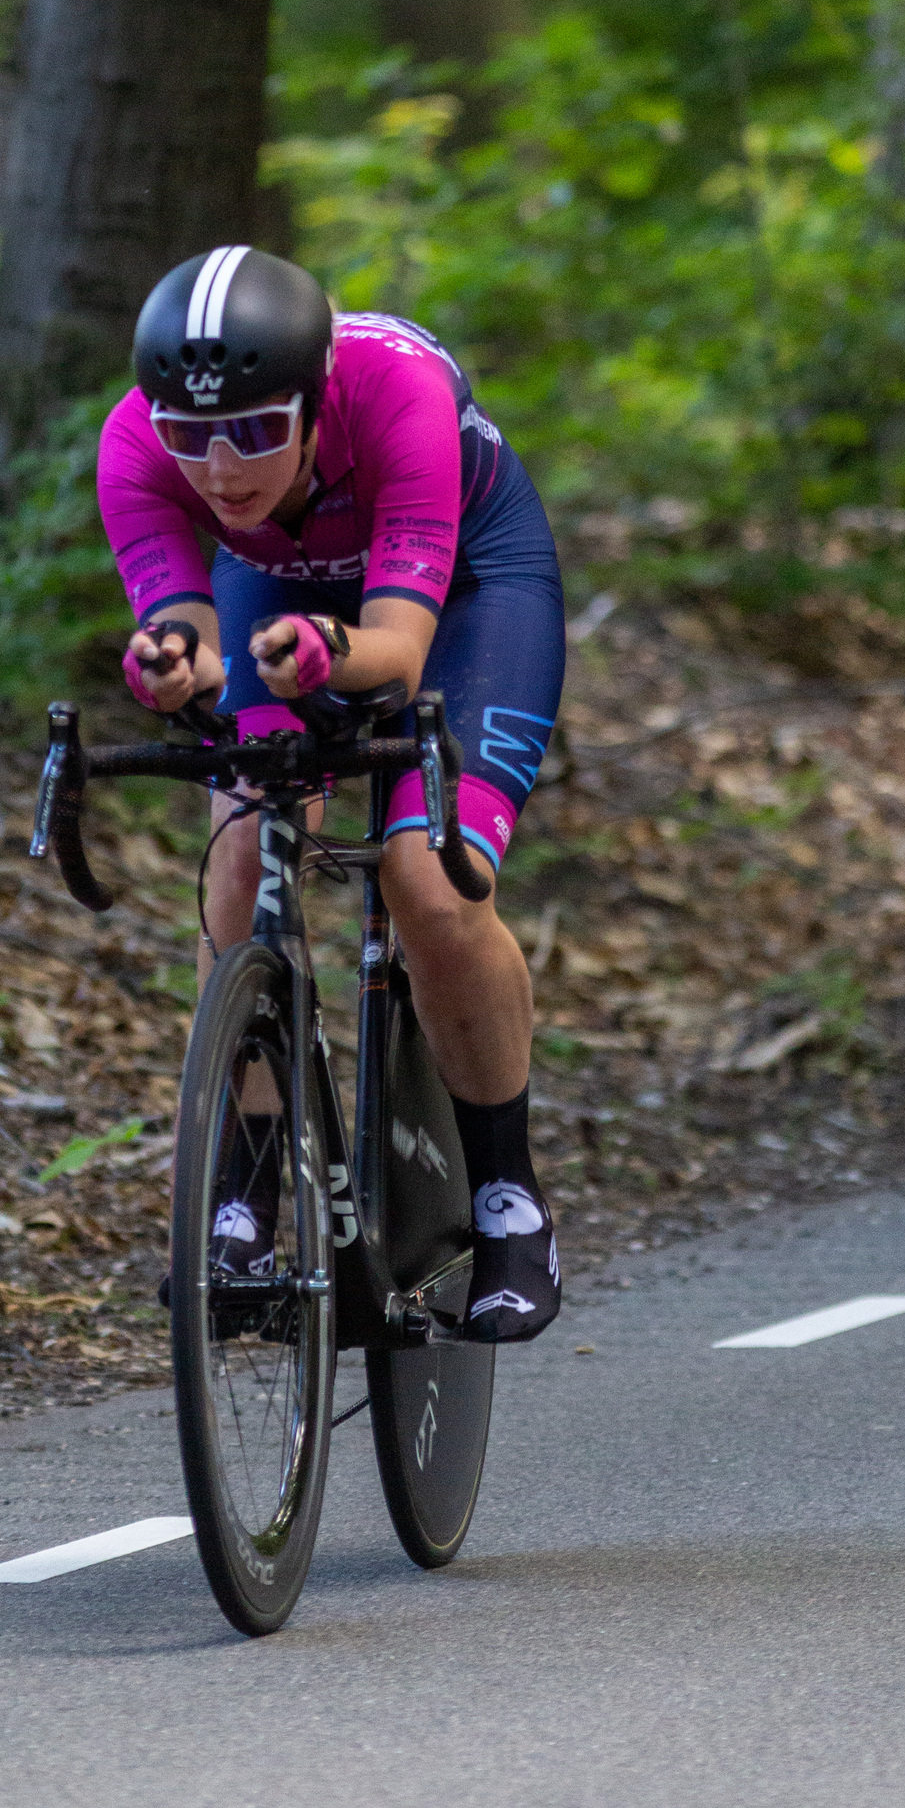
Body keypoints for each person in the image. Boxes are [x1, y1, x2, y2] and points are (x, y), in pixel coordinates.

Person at [97, 245, 567, 1342]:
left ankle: (508, 1199)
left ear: (315, 403)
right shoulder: (135, 444)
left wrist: (320, 651)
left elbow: (398, 654)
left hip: (466, 596)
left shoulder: (393, 390)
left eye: (258, 430)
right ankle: (242, 1201)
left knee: (429, 880)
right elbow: (192, 632)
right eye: (193, 437)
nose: (221, 467)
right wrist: (174, 662)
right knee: (237, 865)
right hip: (282, 592)